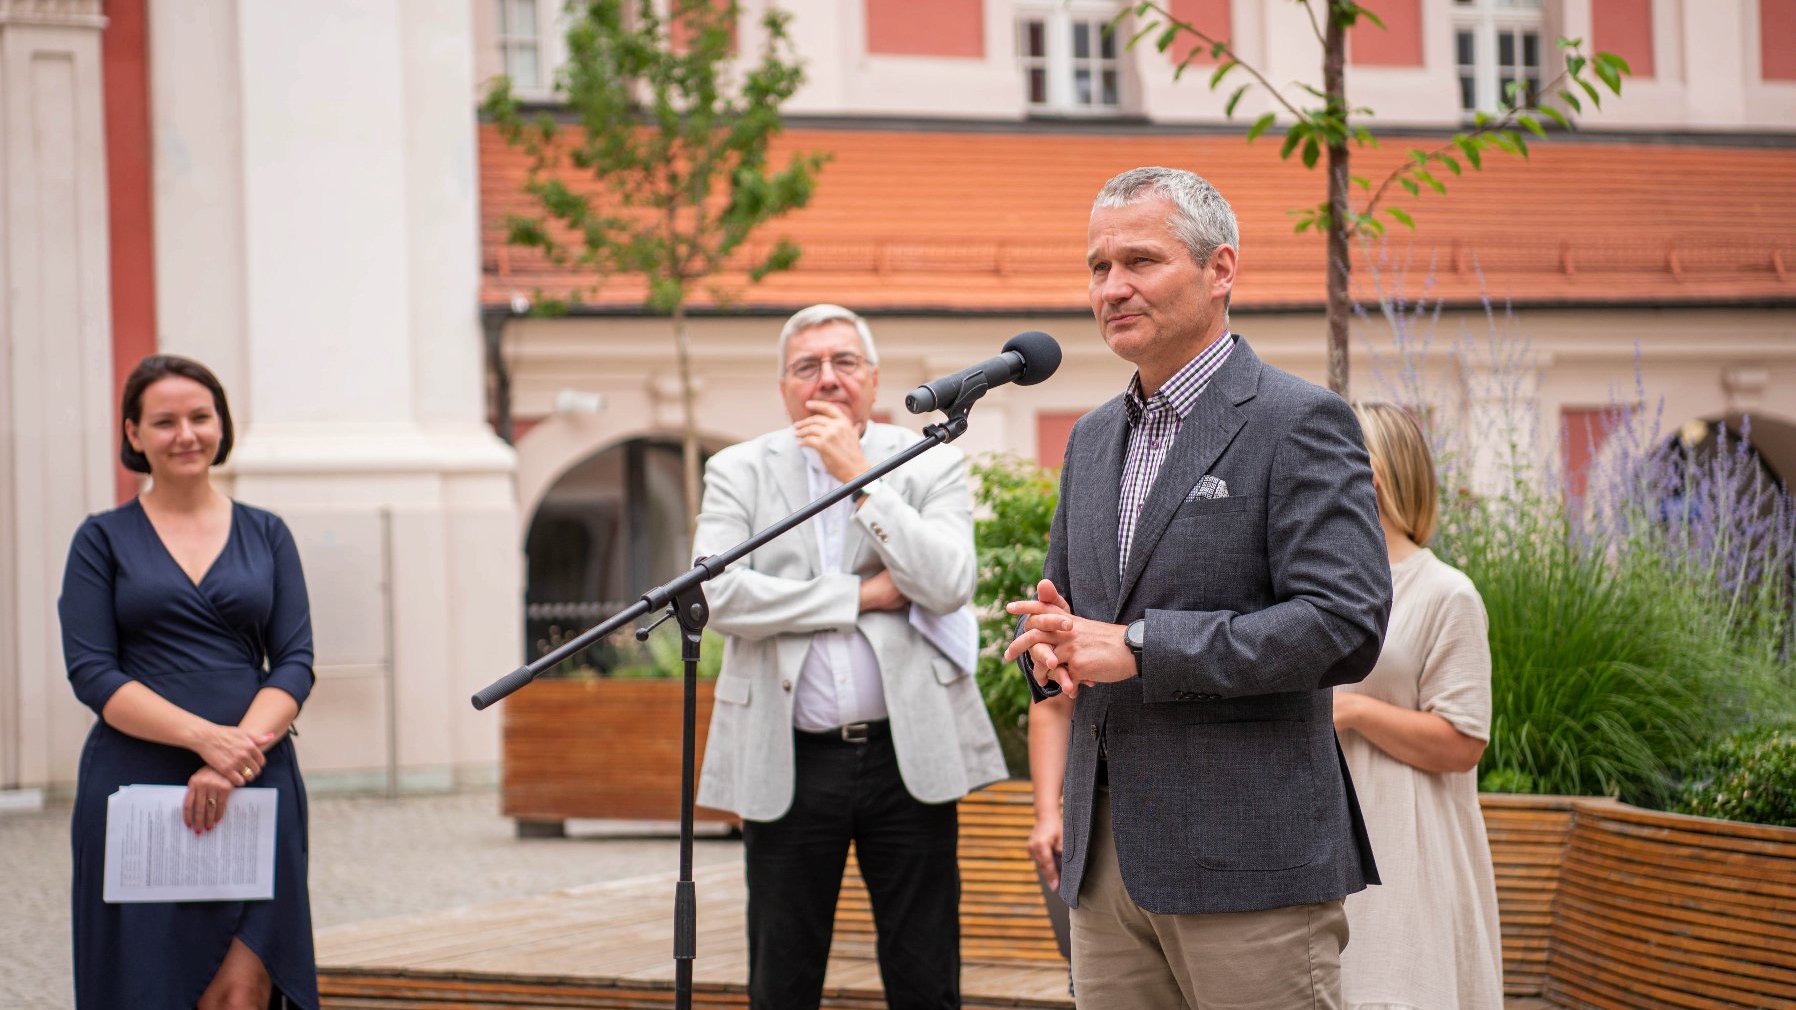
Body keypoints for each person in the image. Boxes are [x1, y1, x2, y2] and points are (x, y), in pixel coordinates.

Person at [1003, 166, 1391, 1009]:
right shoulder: (1093, 437)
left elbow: (1344, 622)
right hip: (1105, 866)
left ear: (1221, 271)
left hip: (1248, 866)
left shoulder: (1298, 421)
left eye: (1140, 260)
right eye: (1099, 267)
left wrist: (1139, 648)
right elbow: (1082, 626)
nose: (1113, 287)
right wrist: (1054, 647)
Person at [693, 304, 1008, 1010]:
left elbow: (946, 582)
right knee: (783, 974)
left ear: (872, 379)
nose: (826, 379)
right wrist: (859, 597)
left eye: (843, 363)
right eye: (807, 366)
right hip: (788, 756)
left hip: (907, 754)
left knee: (925, 972)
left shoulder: (930, 461)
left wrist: (860, 475)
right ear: (783, 387)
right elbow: (715, 597)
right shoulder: (737, 470)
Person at [60, 355, 318, 1009]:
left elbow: (293, 661)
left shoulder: (268, 533)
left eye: (201, 417)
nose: (186, 434)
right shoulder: (100, 540)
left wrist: (234, 759)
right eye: (165, 421)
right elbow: (92, 672)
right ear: (134, 434)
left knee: (241, 991)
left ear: (221, 426)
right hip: (136, 779)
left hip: (256, 778)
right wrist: (208, 741)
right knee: (148, 985)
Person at [1334, 401, 1504, 1009]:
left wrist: (1350, 713)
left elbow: (1463, 743)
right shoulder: (1310, 588)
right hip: (1319, 847)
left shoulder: (1446, 593)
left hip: (1407, 850)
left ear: (1371, 474)